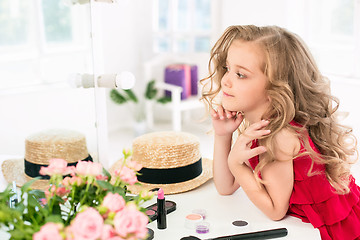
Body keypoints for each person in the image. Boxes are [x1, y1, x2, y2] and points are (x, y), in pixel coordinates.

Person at [200, 25, 360, 240]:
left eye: (240, 74)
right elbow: (226, 187)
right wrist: (223, 135)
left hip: (335, 231)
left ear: (275, 89)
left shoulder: (279, 137)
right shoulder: (261, 124)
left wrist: (236, 164)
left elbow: (275, 210)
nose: (226, 80)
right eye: (227, 68)